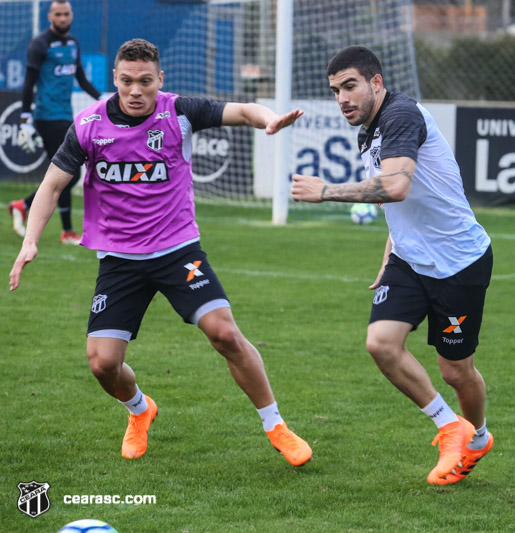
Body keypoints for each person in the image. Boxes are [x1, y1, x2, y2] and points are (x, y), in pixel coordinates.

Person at [9, 38, 312, 466]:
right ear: (115, 78)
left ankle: (276, 425)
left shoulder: (179, 112)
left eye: (146, 82)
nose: (136, 91)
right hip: (118, 260)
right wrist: (31, 240)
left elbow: (242, 111)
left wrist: (269, 120)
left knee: (224, 333)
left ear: (160, 80)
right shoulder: (88, 125)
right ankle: (139, 410)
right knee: (102, 364)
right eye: (127, 81)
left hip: (177, 251)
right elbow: (52, 184)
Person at [291, 45, 493, 485]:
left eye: (350, 86)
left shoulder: (401, 116)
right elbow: (399, 206)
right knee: (381, 344)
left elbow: (397, 186)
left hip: (460, 261)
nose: (342, 98)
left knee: (455, 371)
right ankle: (449, 427)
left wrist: (325, 191)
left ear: (376, 83)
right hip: (408, 260)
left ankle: (477, 436)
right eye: (335, 90)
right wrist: (390, 255)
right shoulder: (369, 129)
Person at [8, 0, 102, 244]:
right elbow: (28, 83)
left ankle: (23, 205)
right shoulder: (40, 44)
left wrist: (103, 99)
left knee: (67, 173)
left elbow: (81, 79)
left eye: (66, 14)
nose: (63, 18)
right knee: (68, 171)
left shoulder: (73, 43)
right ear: (50, 16)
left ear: (72, 15)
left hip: (65, 115)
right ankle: (68, 231)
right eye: (58, 14)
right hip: (47, 116)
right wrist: (26, 120)